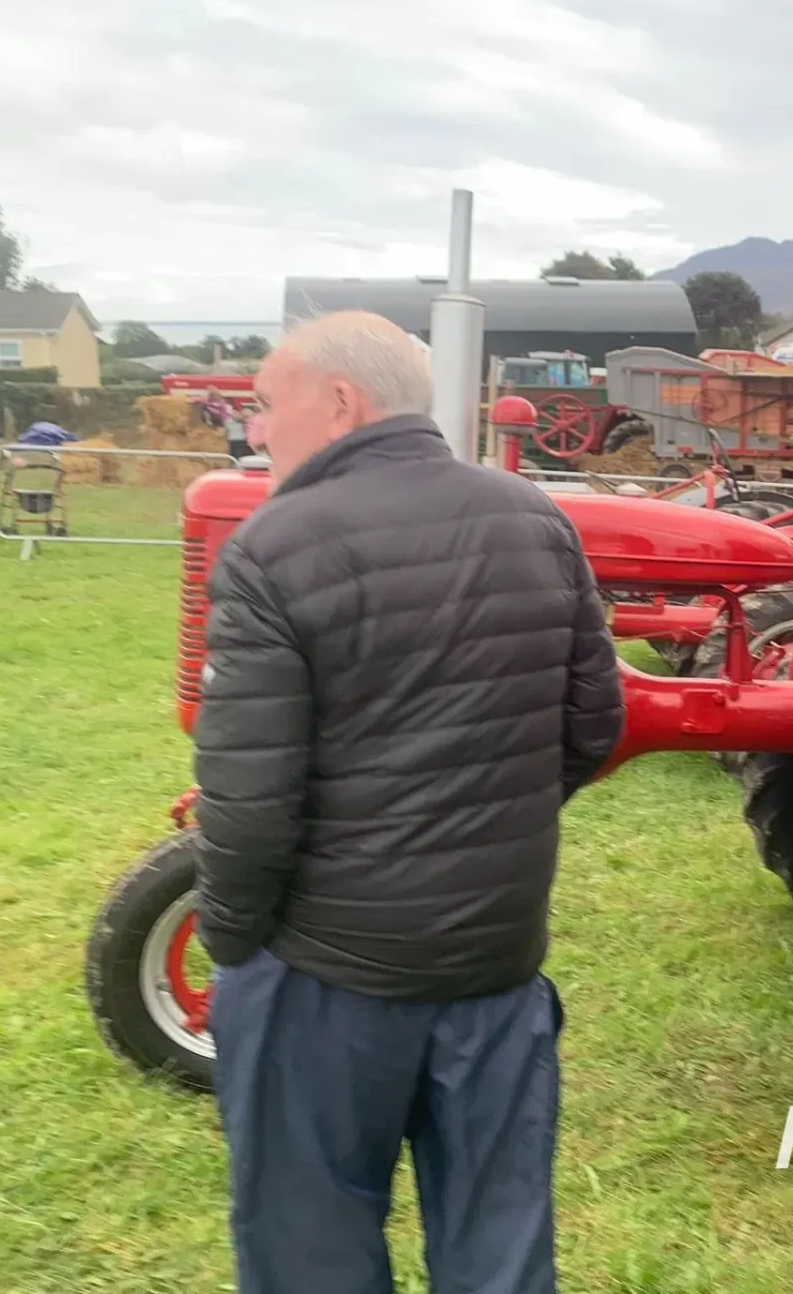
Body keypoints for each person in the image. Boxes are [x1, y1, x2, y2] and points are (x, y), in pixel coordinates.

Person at [191, 310, 625, 1294]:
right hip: (498, 976)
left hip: (325, 981)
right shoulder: (538, 521)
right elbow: (593, 728)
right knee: (500, 1247)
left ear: (341, 402)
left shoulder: (271, 547)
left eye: (266, 404)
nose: (256, 429)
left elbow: (249, 808)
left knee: (312, 1247)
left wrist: (233, 948)